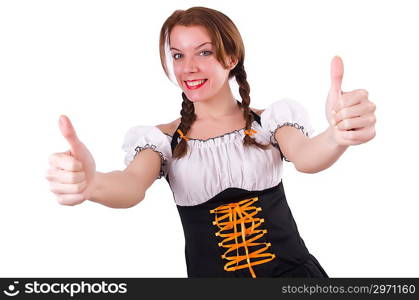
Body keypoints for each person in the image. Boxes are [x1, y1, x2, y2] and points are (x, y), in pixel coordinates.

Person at [45, 6, 377, 278]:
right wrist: (92, 184)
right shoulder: (163, 140)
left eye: (203, 52)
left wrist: (337, 135)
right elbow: (131, 185)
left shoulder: (269, 122)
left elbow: (306, 156)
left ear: (231, 57)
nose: (188, 67)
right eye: (177, 55)